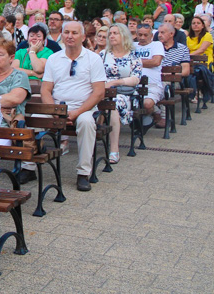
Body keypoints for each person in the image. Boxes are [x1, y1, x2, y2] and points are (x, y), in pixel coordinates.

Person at [41, 21, 107, 191]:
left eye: (75, 33)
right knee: (34, 119)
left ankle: (83, 173)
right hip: (57, 108)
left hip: (84, 108)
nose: (70, 36)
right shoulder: (53, 59)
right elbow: (46, 90)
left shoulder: (93, 59)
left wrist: (77, 112)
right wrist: (54, 111)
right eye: (67, 32)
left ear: (83, 37)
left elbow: (99, 92)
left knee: (86, 122)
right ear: (62, 35)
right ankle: (28, 167)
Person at [0, 38, 34, 182]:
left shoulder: (19, 76)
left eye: (0, 54)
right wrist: (0, 101)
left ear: (11, 58)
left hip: (5, 129)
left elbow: (15, 99)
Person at [99, 23, 142, 165]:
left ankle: (114, 149)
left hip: (125, 93)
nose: (111, 36)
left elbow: (136, 78)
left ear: (124, 35)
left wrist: (114, 83)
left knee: (113, 105)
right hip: (102, 91)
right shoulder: (103, 54)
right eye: (110, 33)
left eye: (115, 33)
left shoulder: (133, 54)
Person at [134, 23, 166, 128]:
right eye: (140, 35)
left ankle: (153, 112)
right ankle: (153, 113)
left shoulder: (156, 45)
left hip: (152, 85)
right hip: (133, 85)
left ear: (151, 35)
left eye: (145, 35)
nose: (142, 38)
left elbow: (156, 62)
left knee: (146, 104)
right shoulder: (132, 46)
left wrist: (134, 62)